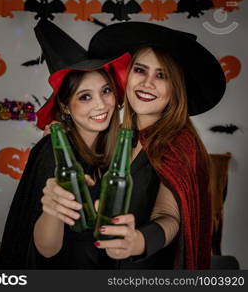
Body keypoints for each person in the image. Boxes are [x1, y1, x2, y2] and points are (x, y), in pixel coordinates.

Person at [87, 22, 226, 269]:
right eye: (140, 70)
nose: (147, 83)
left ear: (176, 89)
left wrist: (138, 241)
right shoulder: (118, 140)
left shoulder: (180, 145)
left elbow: (169, 216)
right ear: (128, 76)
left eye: (162, 75)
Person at [0, 20, 131, 269]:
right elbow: (46, 248)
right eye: (85, 96)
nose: (101, 105)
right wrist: (53, 209)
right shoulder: (53, 152)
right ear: (65, 106)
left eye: (106, 91)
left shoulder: (115, 151)